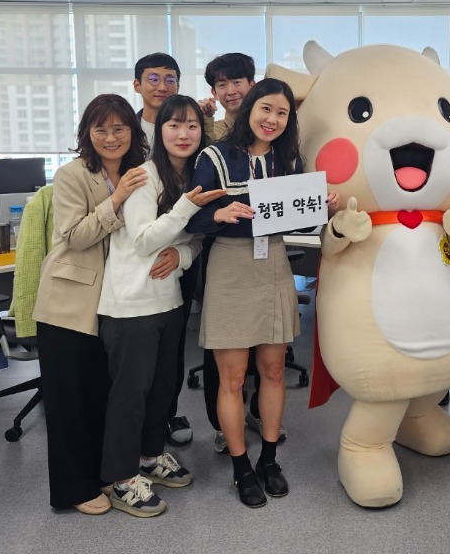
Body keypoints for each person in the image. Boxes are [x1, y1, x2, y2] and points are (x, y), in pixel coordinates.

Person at [98, 95, 226, 517]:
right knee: (130, 395)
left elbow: (193, 239)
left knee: (162, 389)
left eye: (192, 126)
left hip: (168, 300)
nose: (184, 133)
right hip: (130, 305)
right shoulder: (143, 176)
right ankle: (120, 477)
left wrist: (183, 257)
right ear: (159, 131)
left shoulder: (193, 175)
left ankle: (150, 457)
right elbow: (143, 240)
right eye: (174, 125)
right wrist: (189, 205)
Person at [186, 78, 311, 508]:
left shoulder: (287, 160)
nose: (272, 119)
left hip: (273, 263)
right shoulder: (215, 156)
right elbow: (189, 219)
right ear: (250, 109)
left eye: (282, 113)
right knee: (233, 377)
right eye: (266, 109)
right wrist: (218, 213)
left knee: (274, 370)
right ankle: (241, 467)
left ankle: (270, 459)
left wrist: (322, 205)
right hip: (229, 265)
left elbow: (300, 219)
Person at [33, 94, 149, 515]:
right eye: (101, 129)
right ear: (88, 133)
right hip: (68, 303)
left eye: (120, 128)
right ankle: (72, 489)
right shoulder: (72, 175)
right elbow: (75, 236)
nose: (111, 137)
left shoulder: (141, 173)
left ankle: (102, 475)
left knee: (100, 396)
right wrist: (116, 200)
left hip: (116, 303)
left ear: (132, 132)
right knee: (68, 404)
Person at [203, 52, 257, 142]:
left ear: (252, 85)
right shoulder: (212, 131)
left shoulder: (266, 127)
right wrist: (205, 119)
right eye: (222, 85)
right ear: (214, 93)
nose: (231, 92)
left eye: (236, 82)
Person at [133, 53, 181, 149]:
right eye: (154, 79)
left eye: (170, 81)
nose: (162, 88)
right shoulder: (128, 129)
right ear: (137, 86)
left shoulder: (188, 129)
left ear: (178, 87)